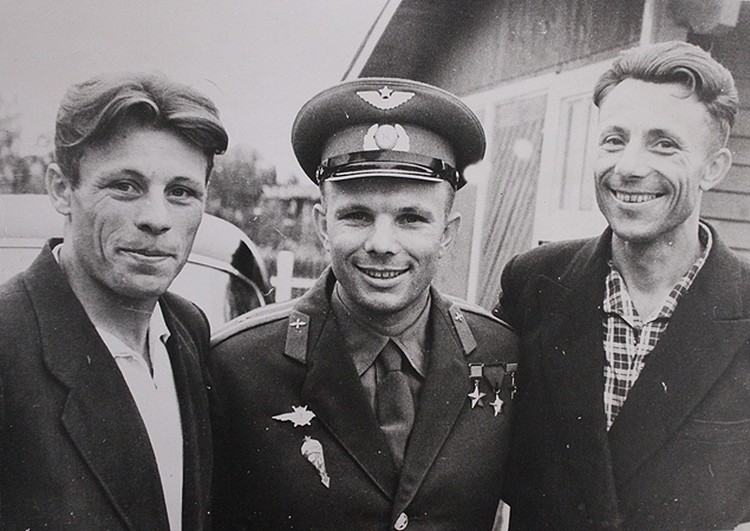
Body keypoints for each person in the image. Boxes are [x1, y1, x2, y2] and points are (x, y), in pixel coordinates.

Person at [209, 78, 519, 530]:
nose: (382, 244)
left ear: (447, 233)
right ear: (322, 225)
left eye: (411, 218)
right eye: (356, 216)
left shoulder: (499, 353)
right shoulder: (237, 365)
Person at [495, 40, 750, 530]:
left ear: (714, 169)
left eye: (664, 144)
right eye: (614, 140)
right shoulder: (533, 284)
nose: (629, 167)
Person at [0, 72, 228, 529]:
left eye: (181, 192)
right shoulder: (8, 342)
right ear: (60, 189)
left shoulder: (188, 329)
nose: (156, 218)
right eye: (125, 186)